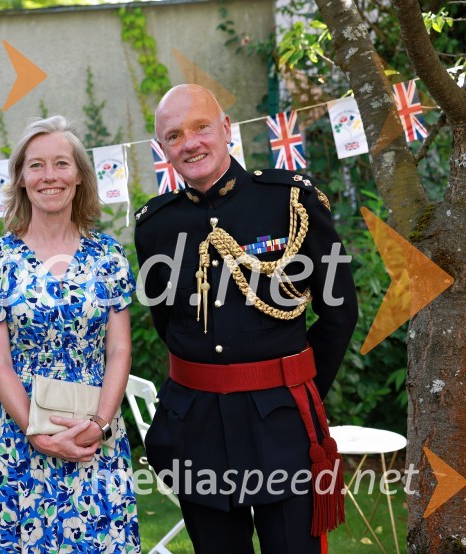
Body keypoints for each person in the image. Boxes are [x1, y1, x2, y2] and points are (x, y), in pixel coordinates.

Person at [134, 84, 358, 553]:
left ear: (226, 129)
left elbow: (339, 310)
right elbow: (169, 324)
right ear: (163, 150)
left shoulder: (290, 200)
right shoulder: (155, 225)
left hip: (282, 425)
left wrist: (299, 388)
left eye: (200, 127)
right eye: (174, 135)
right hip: (197, 429)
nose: (190, 142)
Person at [0, 115, 140, 552]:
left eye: (61, 164)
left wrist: (99, 424)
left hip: (95, 438)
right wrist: (38, 433)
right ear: (21, 179)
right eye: (36, 165)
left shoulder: (108, 255)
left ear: (80, 176)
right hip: (23, 440)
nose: (49, 176)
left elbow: (119, 350)